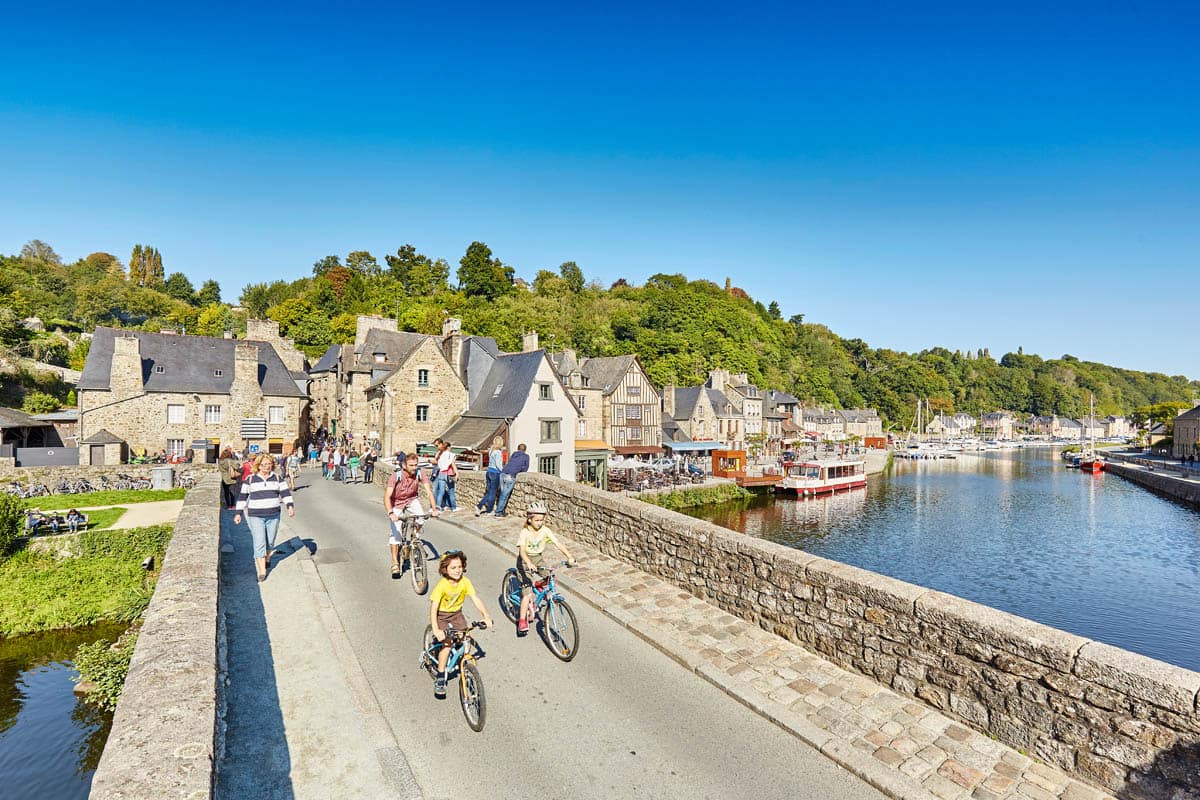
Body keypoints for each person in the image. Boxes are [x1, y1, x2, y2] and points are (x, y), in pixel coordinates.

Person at [428, 551, 492, 698]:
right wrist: (437, 629)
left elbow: (475, 599)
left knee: (465, 637)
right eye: (453, 568)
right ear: (445, 570)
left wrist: (486, 616)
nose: (457, 570)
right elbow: (433, 608)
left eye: (459, 567)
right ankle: (440, 675)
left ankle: (462, 661)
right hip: (442, 615)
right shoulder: (442, 585)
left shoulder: (465, 582)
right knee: (447, 644)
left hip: (456, 613)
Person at [515, 501, 576, 635]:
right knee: (527, 593)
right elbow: (522, 552)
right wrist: (528, 563)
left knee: (550, 576)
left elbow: (558, 544)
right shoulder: (525, 532)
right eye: (537, 520)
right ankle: (522, 620)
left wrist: (569, 556)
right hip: (524, 562)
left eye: (542, 520)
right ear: (529, 519)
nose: (540, 523)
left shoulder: (545, 531)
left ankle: (538, 585)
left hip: (538, 558)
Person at [233, 453, 296, 582]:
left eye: (269, 464)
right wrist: (238, 513)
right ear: (258, 465)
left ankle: (267, 558)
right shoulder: (250, 479)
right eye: (264, 464)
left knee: (270, 542)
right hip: (256, 515)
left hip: (273, 514)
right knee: (259, 542)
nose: (267, 466)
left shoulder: (277, 478)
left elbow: (285, 493)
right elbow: (242, 497)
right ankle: (262, 571)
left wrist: (289, 506)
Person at [385, 452, 440, 578]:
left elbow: (429, 492)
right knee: (395, 533)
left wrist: (434, 509)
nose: (414, 467)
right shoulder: (395, 476)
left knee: (421, 518)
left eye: (416, 465)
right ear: (404, 465)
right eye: (411, 465)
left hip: (411, 500)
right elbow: (387, 497)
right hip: (396, 503)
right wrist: (391, 513)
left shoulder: (420, 473)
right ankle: (395, 562)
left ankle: (415, 537)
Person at [494, 443, 529, 516]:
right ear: (525, 450)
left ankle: (500, 510)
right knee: (504, 494)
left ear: (518, 449)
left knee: (503, 493)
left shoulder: (514, 454)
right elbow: (525, 468)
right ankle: (498, 512)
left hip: (503, 473)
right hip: (510, 475)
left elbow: (509, 463)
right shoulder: (526, 456)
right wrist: (520, 470)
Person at [474, 437, 505, 516]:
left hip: (489, 472)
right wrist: (503, 471)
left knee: (489, 492)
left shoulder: (491, 451)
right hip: (495, 473)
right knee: (492, 493)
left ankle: (480, 506)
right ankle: (488, 510)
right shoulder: (498, 452)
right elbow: (498, 465)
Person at [434, 439, 458, 512]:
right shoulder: (451, 455)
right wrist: (457, 473)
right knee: (451, 491)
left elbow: (437, 464)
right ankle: (453, 507)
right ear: (448, 447)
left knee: (441, 492)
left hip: (441, 473)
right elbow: (453, 465)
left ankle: (438, 507)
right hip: (448, 474)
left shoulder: (440, 455)